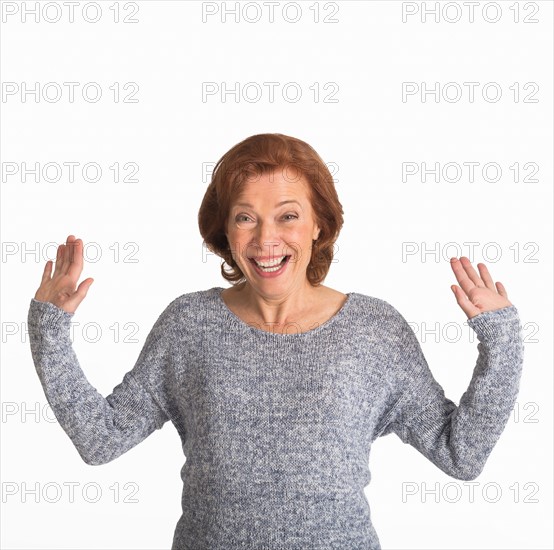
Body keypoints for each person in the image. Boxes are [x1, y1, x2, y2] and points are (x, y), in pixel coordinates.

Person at [28, 133, 524, 550]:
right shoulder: (189, 324)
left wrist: (501, 340)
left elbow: (461, 455)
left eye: (287, 215)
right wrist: (49, 330)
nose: (266, 239)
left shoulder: (375, 331)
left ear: (318, 225)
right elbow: (101, 440)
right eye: (246, 217)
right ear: (225, 230)